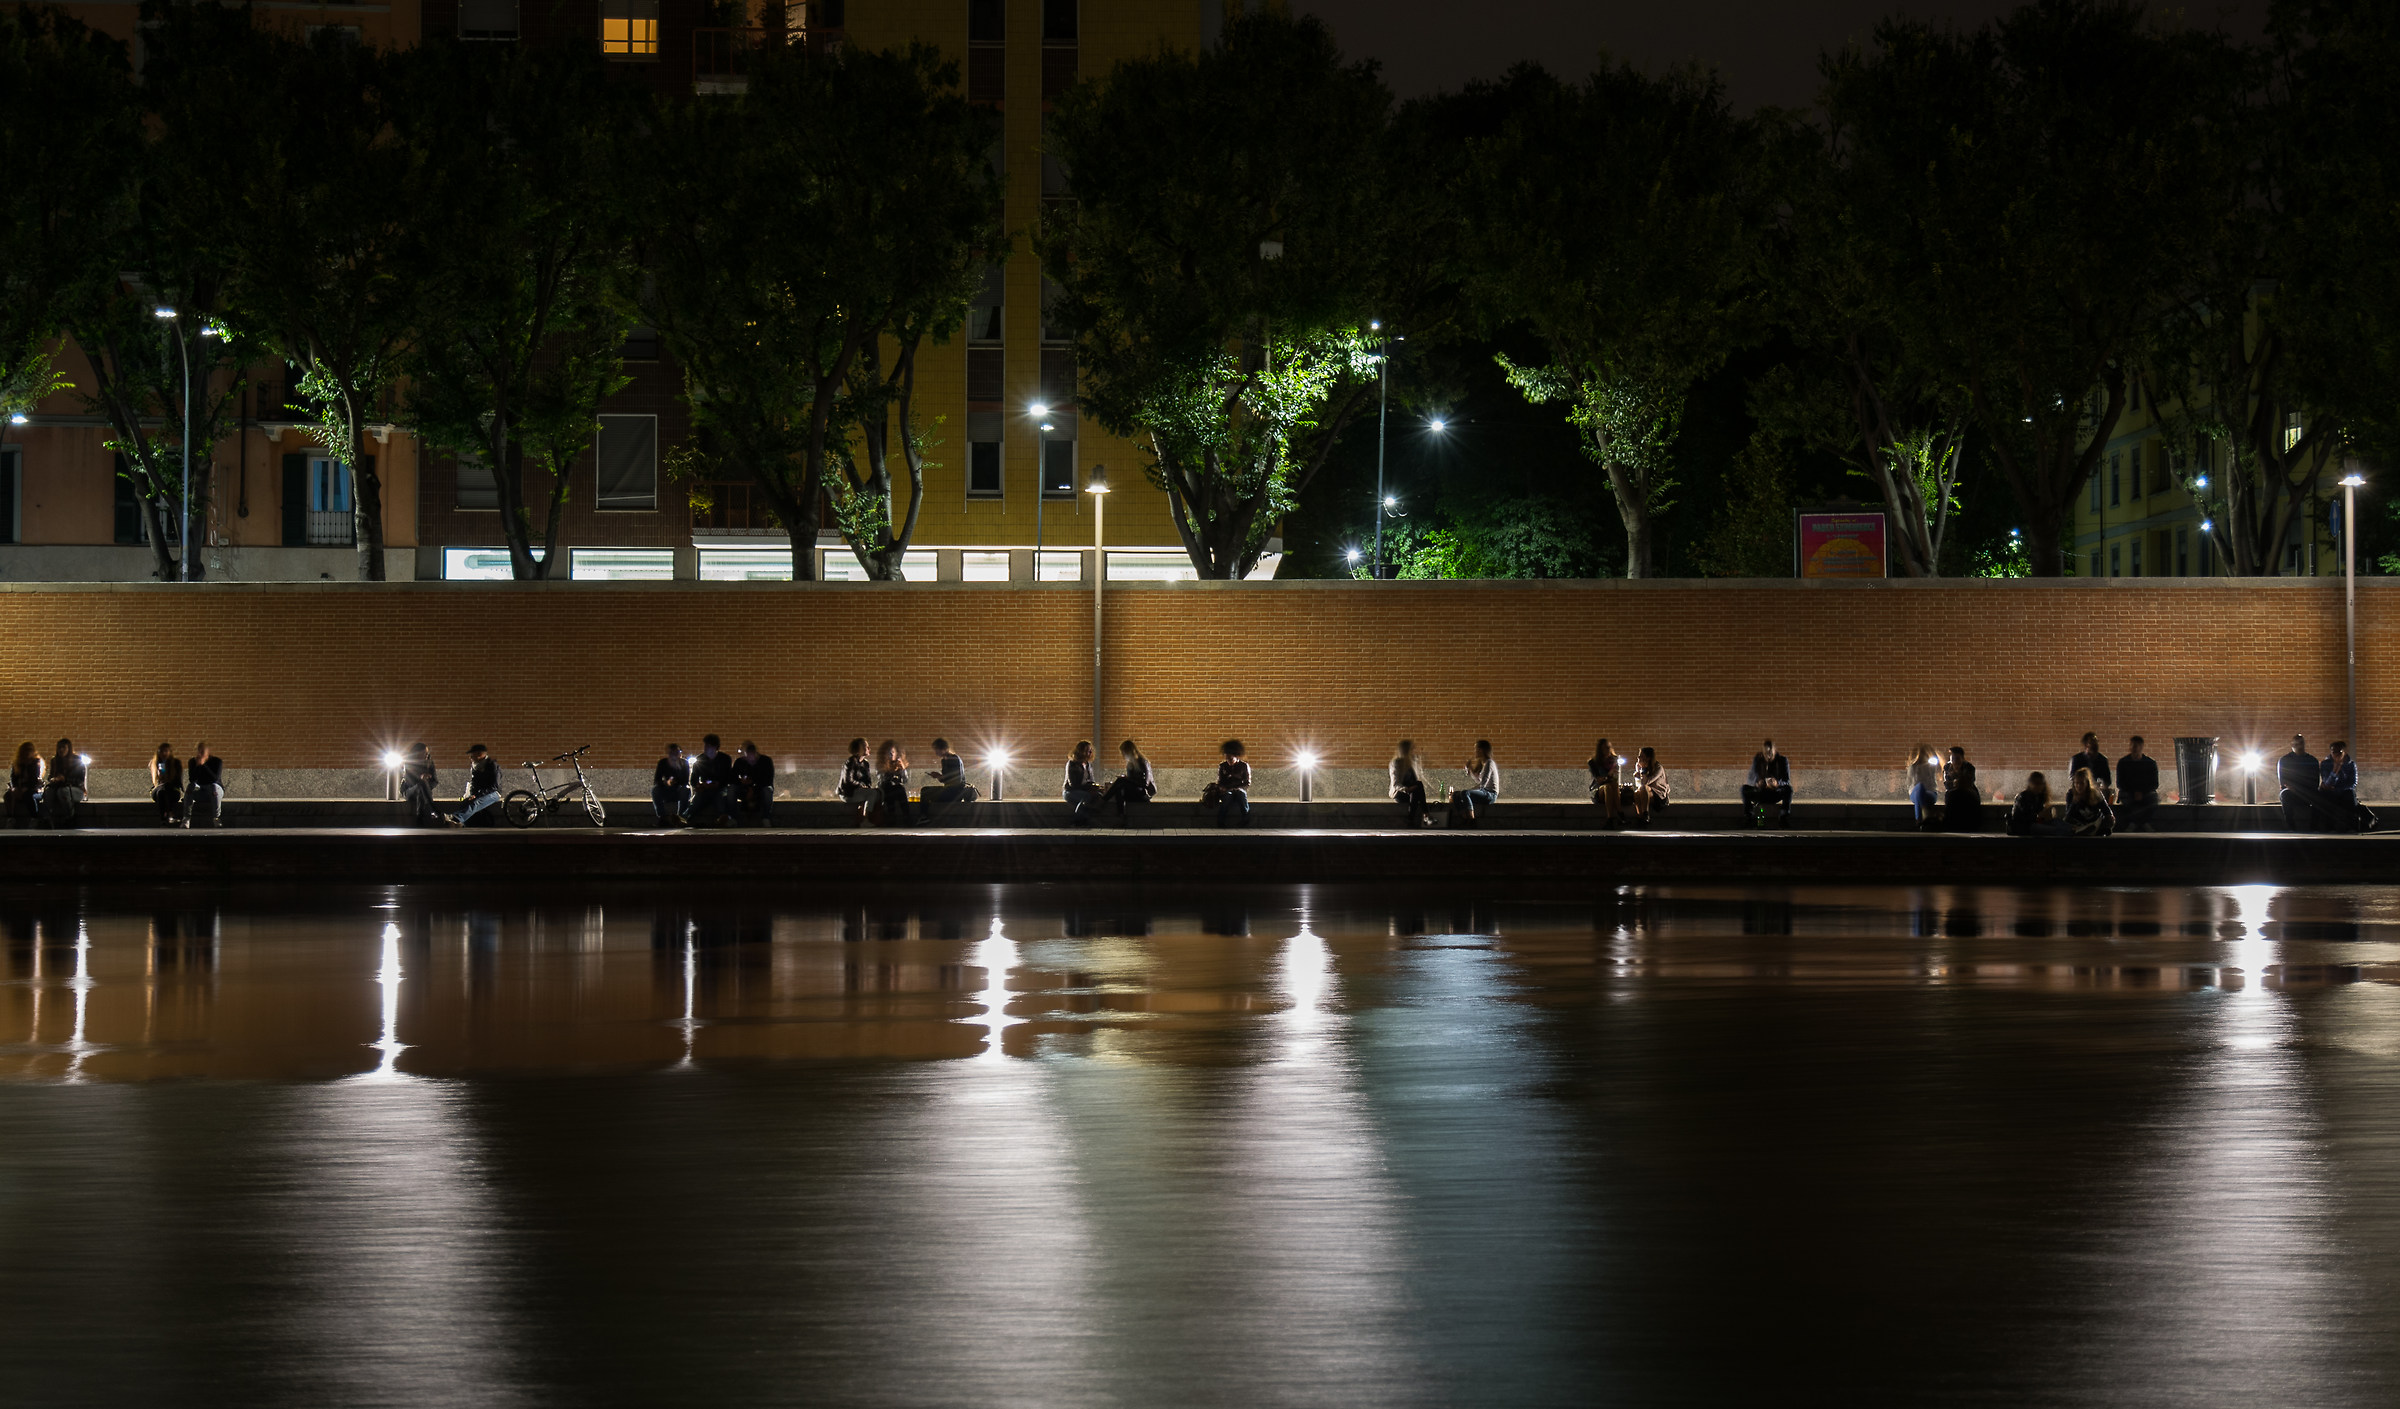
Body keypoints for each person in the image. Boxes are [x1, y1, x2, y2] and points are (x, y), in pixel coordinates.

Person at [2321, 741, 2378, 833]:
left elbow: (2352, 783)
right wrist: (2335, 771)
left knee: (2350, 796)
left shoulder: (2350, 764)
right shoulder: (2325, 764)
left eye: (2339, 752)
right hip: (2331, 792)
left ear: (2344, 752)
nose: (2336, 755)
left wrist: (2337, 789)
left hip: (2344, 791)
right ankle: (2330, 827)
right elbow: (2327, 783)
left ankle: (2352, 827)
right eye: (2333, 752)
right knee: (2327, 798)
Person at [2279, 734, 2329, 832]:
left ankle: (2314, 827)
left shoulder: (2312, 760)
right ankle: (2290, 827)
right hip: (2292, 791)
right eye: (2296, 744)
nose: (2299, 746)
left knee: (2319, 796)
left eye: (2301, 743)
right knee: (2285, 795)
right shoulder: (2285, 760)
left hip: (2307, 791)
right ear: (2292, 745)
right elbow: (2283, 780)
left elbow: (2315, 781)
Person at [448, 743, 502, 827]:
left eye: (472, 756)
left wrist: (477, 795)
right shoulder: (475, 766)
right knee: (466, 802)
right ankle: (460, 823)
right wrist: (472, 794)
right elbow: (474, 782)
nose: (470, 758)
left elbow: (494, 786)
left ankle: (456, 818)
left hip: (493, 793)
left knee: (476, 803)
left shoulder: (492, 765)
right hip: (480, 793)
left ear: (479, 754)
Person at [1742, 739, 1792, 828]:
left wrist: (1777, 783)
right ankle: (1749, 817)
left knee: (1788, 789)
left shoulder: (1782, 760)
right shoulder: (1758, 759)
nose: (1768, 756)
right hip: (1761, 793)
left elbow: (1786, 780)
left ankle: (1783, 816)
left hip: (1775, 793)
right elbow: (1750, 778)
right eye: (1766, 753)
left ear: (1775, 751)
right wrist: (1758, 783)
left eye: (1770, 753)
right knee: (1744, 789)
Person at [689, 734, 736, 827]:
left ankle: (723, 819)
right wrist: (698, 785)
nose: (706, 748)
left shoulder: (725, 759)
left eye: (709, 746)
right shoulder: (700, 759)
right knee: (697, 800)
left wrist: (717, 784)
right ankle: (686, 817)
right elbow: (693, 778)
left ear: (715, 747)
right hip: (705, 788)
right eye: (705, 745)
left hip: (720, 787)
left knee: (719, 798)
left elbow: (728, 777)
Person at [2116, 736, 2161, 832]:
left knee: (2154, 798)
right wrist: (2134, 792)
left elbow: (2154, 783)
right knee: (2126, 797)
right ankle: (2144, 823)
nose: (2134, 748)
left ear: (2142, 746)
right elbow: (2120, 783)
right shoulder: (2123, 762)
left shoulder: (2150, 763)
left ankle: (2134, 823)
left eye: (2136, 745)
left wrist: (2141, 792)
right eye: (2132, 745)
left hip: (2146, 792)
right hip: (2128, 791)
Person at [1100, 740, 1153, 820]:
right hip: (1133, 792)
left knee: (1121, 782)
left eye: (1123, 752)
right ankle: (1121, 816)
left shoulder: (1142, 762)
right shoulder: (1130, 764)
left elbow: (1145, 783)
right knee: (1119, 789)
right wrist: (1127, 779)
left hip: (1141, 793)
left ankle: (1103, 800)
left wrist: (1127, 779)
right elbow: (1130, 781)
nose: (1123, 755)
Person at [1450, 739, 1499, 827]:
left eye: (1476, 749)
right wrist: (1470, 770)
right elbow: (1479, 781)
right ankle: (1465, 818)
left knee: (1465, 793)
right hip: (1484, 792)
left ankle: (1472, 820)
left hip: (1490, 794)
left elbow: (1482, 785)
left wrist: (1466, 792)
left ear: (1481, 750)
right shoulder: (1483, 764)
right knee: (1455, 795)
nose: (1475, 752)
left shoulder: (1489, 763)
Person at [40, 739, 85, 829]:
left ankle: (70, 817)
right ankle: (47, 818)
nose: (61, 750)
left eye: (63, 748)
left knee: (63, 791)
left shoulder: (77, 760)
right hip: (57, 787)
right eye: (59, 748)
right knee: (48, 792)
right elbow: (51, 776)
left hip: (75, 789)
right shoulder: (55, 760)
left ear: (69, 749)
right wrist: (53, 779)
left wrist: (65, 779)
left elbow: (80, 780)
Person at [920, 738, 977, 808]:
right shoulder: (944, 761)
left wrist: (940, 776)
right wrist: (938, 776)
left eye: (936, 750)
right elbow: (945, 779)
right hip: (949, 789)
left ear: (944, 748)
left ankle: (924, 816)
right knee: (925, 790)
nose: (936, 753)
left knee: (925, 792)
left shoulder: (954, 759)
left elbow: (956, 779)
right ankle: (924, 816)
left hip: (955, 792)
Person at [874, 739, 918, 826]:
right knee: (889, 787)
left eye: (893, 752)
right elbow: (882, 779)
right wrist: (891, 771)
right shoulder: (880, 764)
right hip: (884, 788)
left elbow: (905, 780)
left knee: (900, 788)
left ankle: (907, 817)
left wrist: (902, 769)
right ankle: (891, 817)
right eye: (888, 752)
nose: (891, 755)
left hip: (896, 788)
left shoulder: (898, 764)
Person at [732, 741, 777, 825]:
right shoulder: (740, 762)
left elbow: (768, 780)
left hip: (760, 789)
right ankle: (733, 818)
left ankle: (766, 817)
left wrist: (753, 786)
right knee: (731, 789)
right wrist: (743, 783)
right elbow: (733, 777)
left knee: (768, 790)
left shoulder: (766, 761)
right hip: (744, 789)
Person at [1392, 739, 1433, 827]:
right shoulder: (1396, 763)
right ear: (1407, 750)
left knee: (1417, 787)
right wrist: (1406, 789)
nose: (1414, 751)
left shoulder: (1413, 761)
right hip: (1400, 793)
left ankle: (1411, 819)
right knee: (1418, 786)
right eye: (1413, 749)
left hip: (1413, 792)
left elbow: (1418, 777)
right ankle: (1426, 814)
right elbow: (1395, 784)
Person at [1942, 745, 1983, 831]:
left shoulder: (1969, 767)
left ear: (1962, 758)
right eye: (1952, 758)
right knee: (1951, 796)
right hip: (1953, 792)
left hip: (1967, 791)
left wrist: (1958, 777)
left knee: (1967, 797)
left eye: (1957, 758)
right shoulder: (1947, 767)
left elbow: (1969, 782)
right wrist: (1955, 782)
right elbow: (1947, 784)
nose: (1955, 761)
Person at [1212, 739, 1252, 828]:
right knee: (1227, 798)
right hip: (1227, 790)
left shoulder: (1243, 766)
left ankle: (1245, 819)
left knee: (1241, 795)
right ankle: (1220, 821)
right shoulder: (1223, 766)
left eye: (1230, 759)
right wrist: (1222, 788)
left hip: (1239, 789)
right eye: (1227, 758)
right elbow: (1220, 781)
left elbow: (1247, 782)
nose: (1228, 761)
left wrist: (1238, 787)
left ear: (1235, 756)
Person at [399, 742, 440, 827]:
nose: (426, 755)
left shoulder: (429, 762)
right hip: (409, 791)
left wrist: (426, 787)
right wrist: (421, 779)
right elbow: (409, 782)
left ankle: (420, 819)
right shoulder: (409, 763)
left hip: (424, 792)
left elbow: (435, 781)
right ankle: (434, 810)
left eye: (427, 753)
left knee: (421, 790)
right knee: (421, 784)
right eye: (423, 753)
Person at [2065, 768, 2115, 837]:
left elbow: (2106, 810)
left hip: (2094, 821)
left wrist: (2109, 816)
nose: (2079, 786)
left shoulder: (2095, 793)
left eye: (2082, 783)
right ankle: (2091, 831)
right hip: (2079, 823)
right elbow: (2068, 816)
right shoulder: (2071, 794)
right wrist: (2075, 802)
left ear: (2087, 783)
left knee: (2109, 821)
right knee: (2066, 825)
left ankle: (2095, 830)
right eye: (2077, 783)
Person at [184, 742, 224, 827]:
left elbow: (215, 778)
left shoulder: (217, 761)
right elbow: (192, 779)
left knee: (214, 787)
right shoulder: (192, 761)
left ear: (208, 752)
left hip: (214, 789)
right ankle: (186, 818)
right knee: (190, 787)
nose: (199, 754)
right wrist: (198, 766)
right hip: (200, 789)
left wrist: (204, 765)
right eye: (198, 751)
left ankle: (216, 818)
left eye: (202, 752)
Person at [1063, 740, 1101, 826]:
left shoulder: (1088, 764)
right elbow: (1073, 784)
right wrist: (1088, 789)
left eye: (1091, 750)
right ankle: (1075, 820)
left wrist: (1094, 786)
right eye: (1088, 750)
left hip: (1084, 789)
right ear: (1081, 751)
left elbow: (1091, 780)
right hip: (1070, 791)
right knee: (1086, 797)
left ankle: (1084, 820)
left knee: (1098, 796)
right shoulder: (1072, 764)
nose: (1090, 752)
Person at [652, 743, 692, 825]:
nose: (675, 756)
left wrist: (676, 781)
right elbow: (657, 780)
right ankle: (662, 817)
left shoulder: (684, 763)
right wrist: (666, 783)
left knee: (686, 789)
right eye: (672, 753)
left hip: (679, 790)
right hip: (666, 789)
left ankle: (681, 817)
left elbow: (685, 780)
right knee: (655, 790)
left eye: (677, 752)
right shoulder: (663, 763)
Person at [2005, 772, 2056, 836]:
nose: (2039, 786)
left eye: (2041, 784)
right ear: (2030, 784)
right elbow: (2025, 816)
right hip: (2023, 826)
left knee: (2057, 823)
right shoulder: (2023, 796)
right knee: (2053, 830)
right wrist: (2039, 816)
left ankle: (2070, 829)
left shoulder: (2039, 797)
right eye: (2036, 784)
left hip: (2034, 823)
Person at [4, 742, 42, 828]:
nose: (27, 753)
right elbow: (13, 778)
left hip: (31, 789)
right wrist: (15, 787)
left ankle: (34, 818)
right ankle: (11, 818)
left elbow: (34, 779)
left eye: (30, 750)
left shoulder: (35, 763)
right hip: (18, 788)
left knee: (28, 796)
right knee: (7, 796)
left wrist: (26, 787)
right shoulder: (17, 764)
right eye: (25, 751)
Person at [838, 738, 875, 822]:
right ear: (859, 749)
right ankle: (866, 820)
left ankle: (867, 816)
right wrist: (861, 785)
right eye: (866, 746)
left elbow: (868, 780)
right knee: (873, 793)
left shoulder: (865, 763)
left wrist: (867, 787)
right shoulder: (850, 762)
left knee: (878, 792)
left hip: (860, 791)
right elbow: (848, 780)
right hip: (848, 793)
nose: (869, 748)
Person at [1908, 742, 1943, 831]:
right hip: (1915, 792)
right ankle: (1923, 816)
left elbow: (1938, 775)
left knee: (1919, 793)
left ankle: (1919, 820)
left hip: (1930, 793)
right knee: (1919, 787)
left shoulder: (1932, 766)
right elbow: (1910, 783)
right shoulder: (1913, 767)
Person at [1630, 746, 1669, 824]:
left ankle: (1645, 814)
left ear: (1648, 758)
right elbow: (1639, 785)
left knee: (1644, 788)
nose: (1638, 757)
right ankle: (1641, 817)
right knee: (1637, 793)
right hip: (1645, 793)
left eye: (1641, 756)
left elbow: (1645, 782)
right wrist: (1639, 770)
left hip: (1659, 796)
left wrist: (1642, 770)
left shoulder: (1658, 768)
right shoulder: (1639, 766)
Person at [2070, 732, 2114, 800]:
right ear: (2086, 745)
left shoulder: (2103, 760)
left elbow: (2107, 779)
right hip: (2082, 787)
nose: (2094, 744)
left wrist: (2102, 784)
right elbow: (2073, 776)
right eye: (2091, 742)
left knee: (2106, 792)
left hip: (2097, 789)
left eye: (2096, 742)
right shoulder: (2077, 759)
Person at [1588, 738, 1623, 822]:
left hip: (1613, 788)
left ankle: (1617, 814)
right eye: (1605, 748)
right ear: (1600, 750)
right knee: (1608, 787)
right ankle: (1614, 816)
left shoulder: (1614, 760)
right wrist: (1608, 775)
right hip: (1598, 789)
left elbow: (1615, 779)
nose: (1608, 750)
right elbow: (1599, 780)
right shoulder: (1593, 762)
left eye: (1609, 747)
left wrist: (1613, 774)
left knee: (1612, 785)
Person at [150, 742, 185, 826]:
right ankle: (170, 814)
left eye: (166, 751)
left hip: (173, 789)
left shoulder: (176, 763)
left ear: (170, 752)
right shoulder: (156, 763)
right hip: (158, 789)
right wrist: (160, 773)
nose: (164, 753)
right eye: (161, 751)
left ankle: (164, 817)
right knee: (162, 790)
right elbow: (158, 782)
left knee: (166, 789)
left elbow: (178, 780)